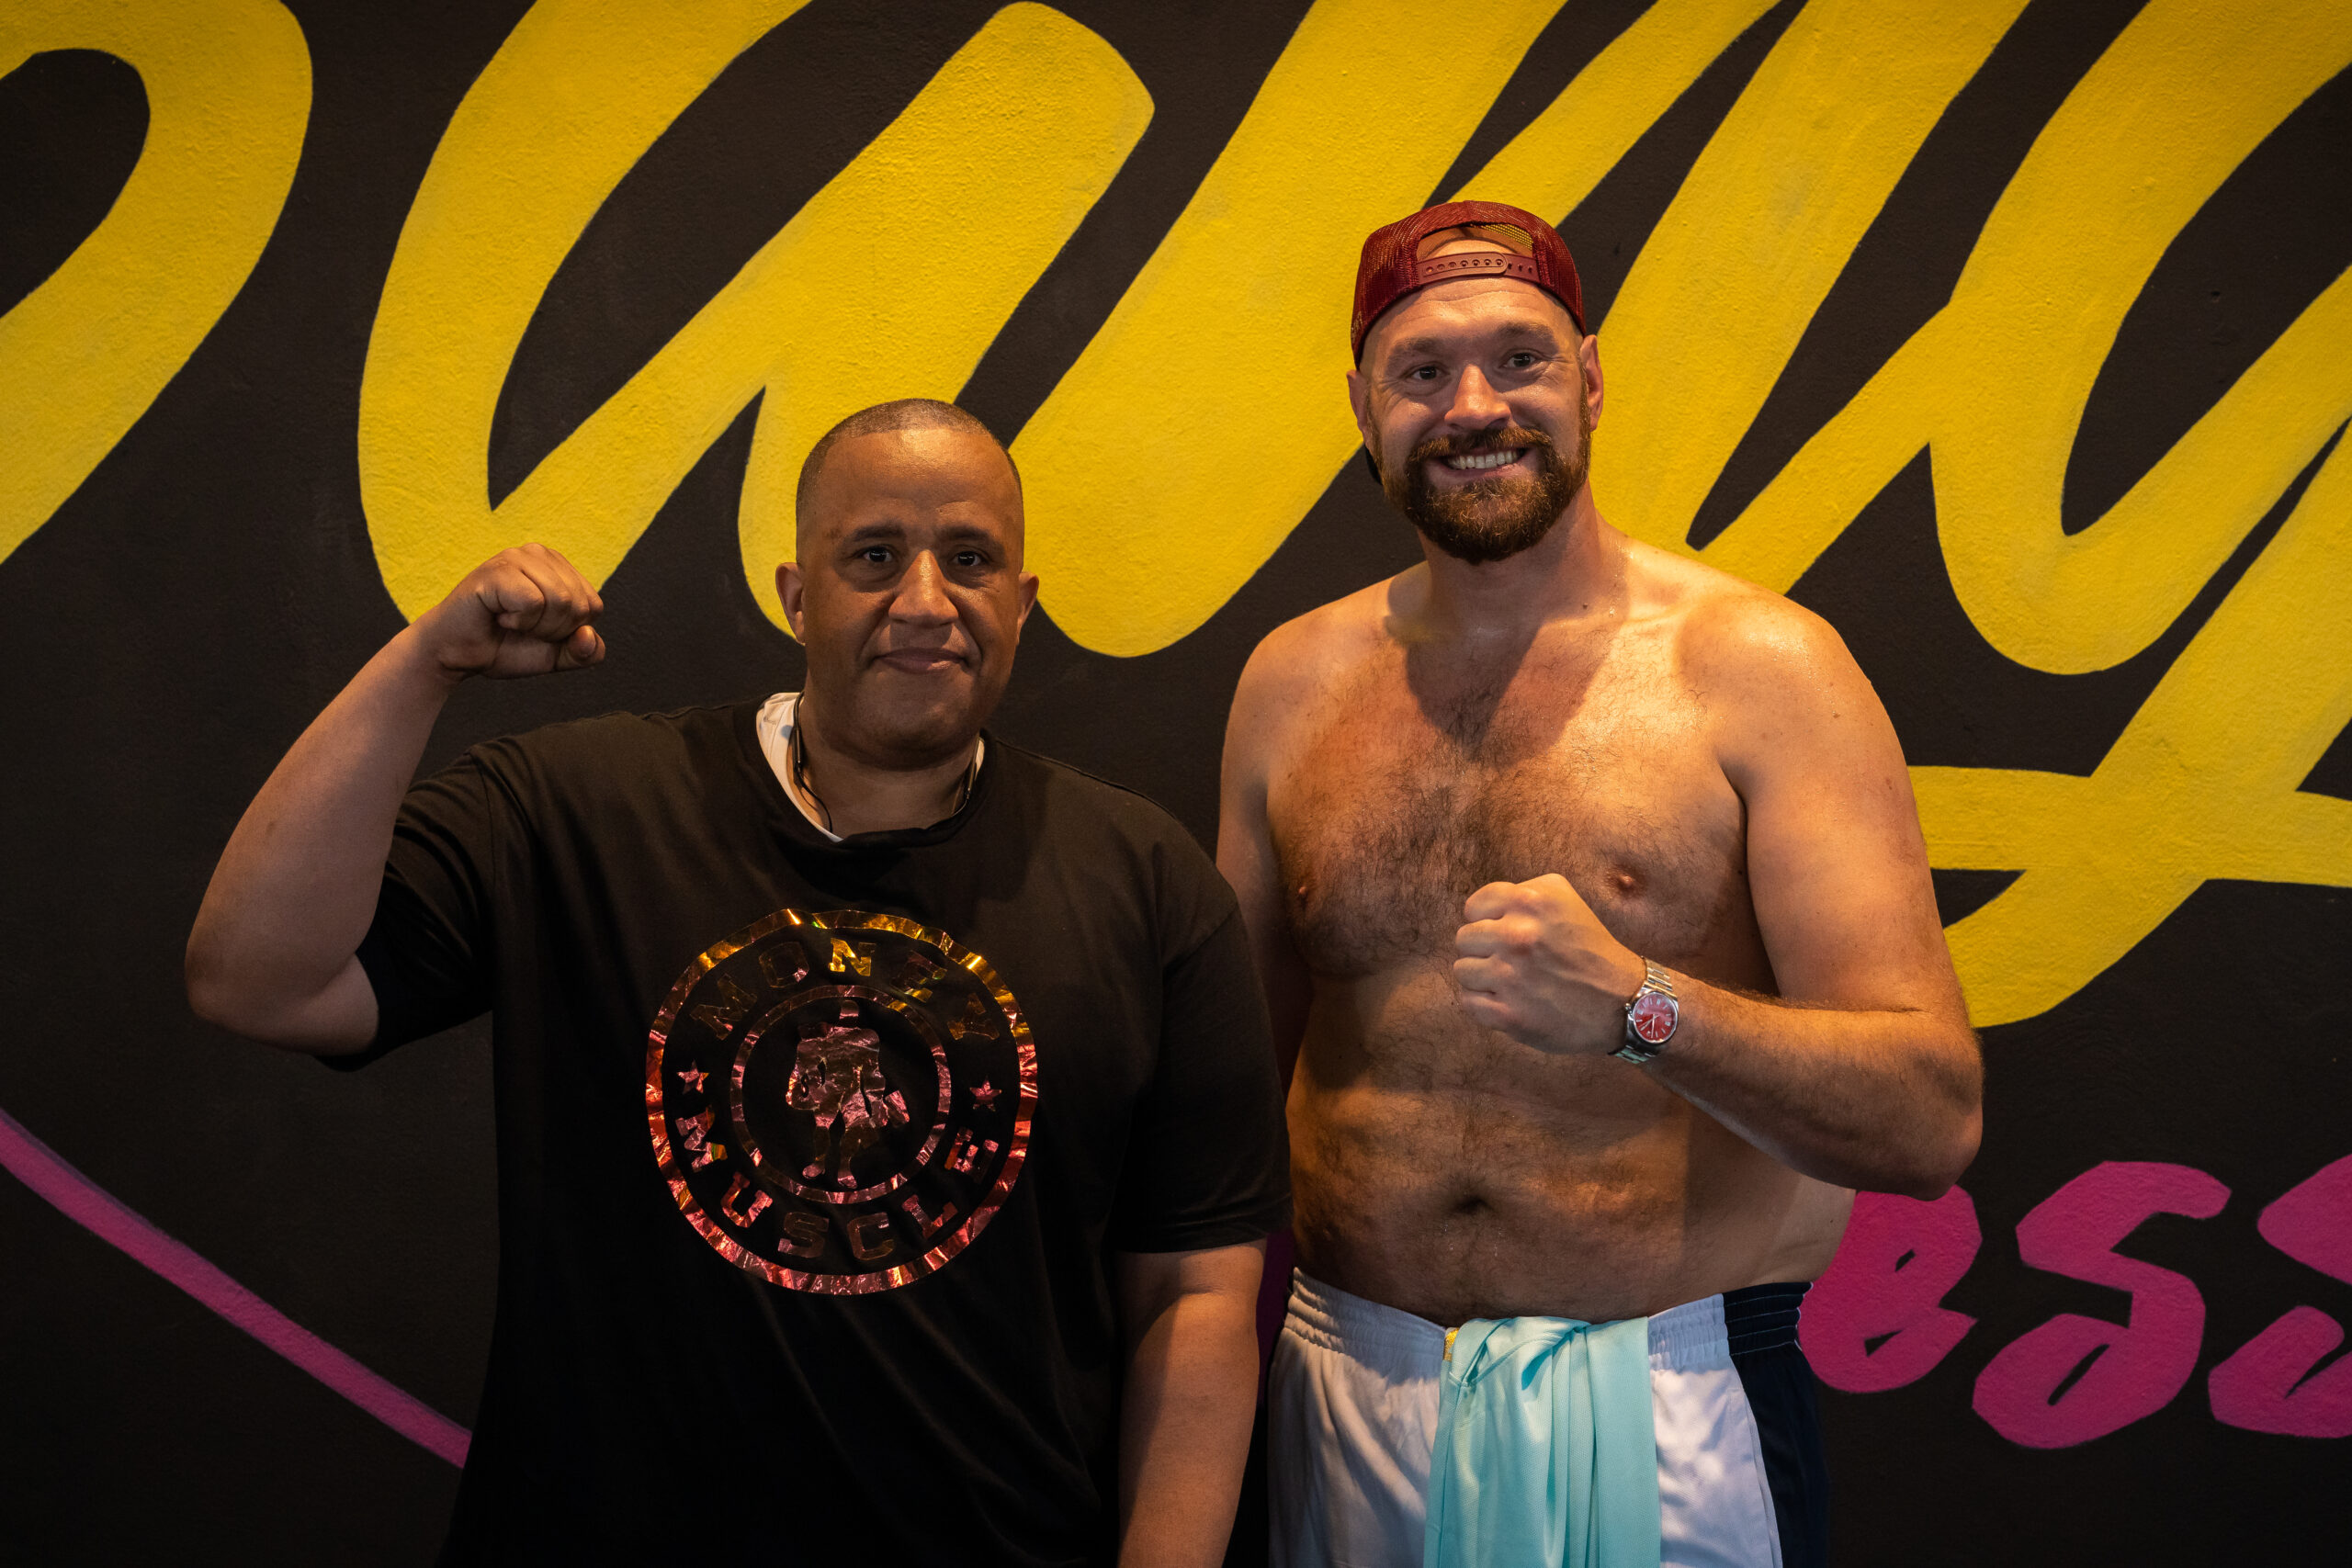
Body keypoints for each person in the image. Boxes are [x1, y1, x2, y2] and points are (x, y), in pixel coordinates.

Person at [187, 400, 1289, 1565]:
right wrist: (425, 666)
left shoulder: (1144, 880)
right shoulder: (579, 807)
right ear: (796, 596)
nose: (925, 600)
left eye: (970, 559)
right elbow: (258, 981)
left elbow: (1197, 1292)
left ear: (1020, 601)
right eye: (874, 556)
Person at [1216, 202, 1982, 1566]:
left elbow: (1927, 1117)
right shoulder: (1291, 685)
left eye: (1519, 358)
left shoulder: (1761, 668)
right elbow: (1218, 1098)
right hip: (1346, 1386)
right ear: (1362, 408)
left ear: (1589, 379)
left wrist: (1641, 1007)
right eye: (1420, 370)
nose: (1473, 406)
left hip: (1668, 1404)